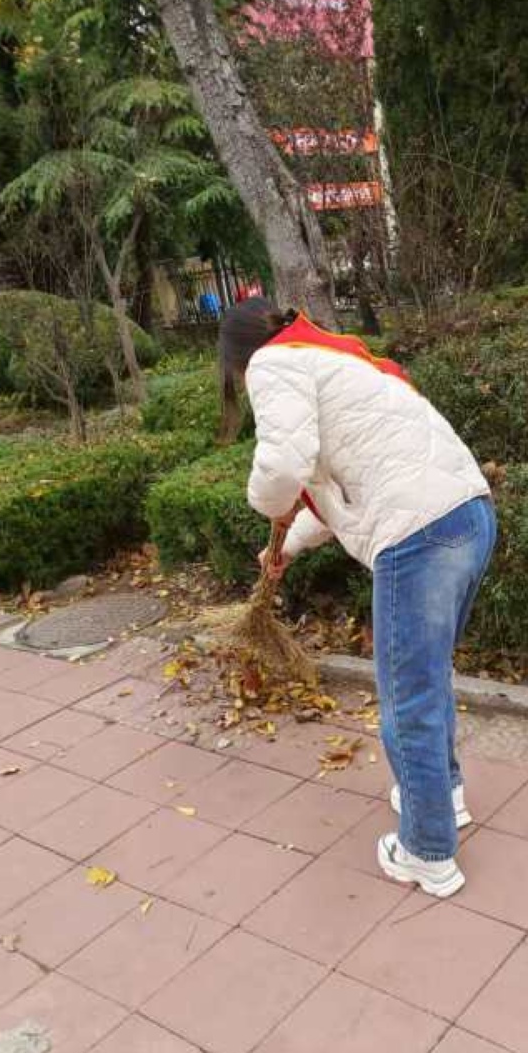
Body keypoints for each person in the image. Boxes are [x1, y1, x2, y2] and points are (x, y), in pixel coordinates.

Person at [219, 299, 495, 896]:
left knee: (407, 700)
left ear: (237, 359)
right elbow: (341, 492)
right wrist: (286, 546)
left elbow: (284, 466)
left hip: (417, 535)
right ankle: (443, 794)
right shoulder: (334, 362)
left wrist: (268, 502)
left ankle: (427, 851)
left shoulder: (272, 363)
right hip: (468, 517)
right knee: (428, 680)